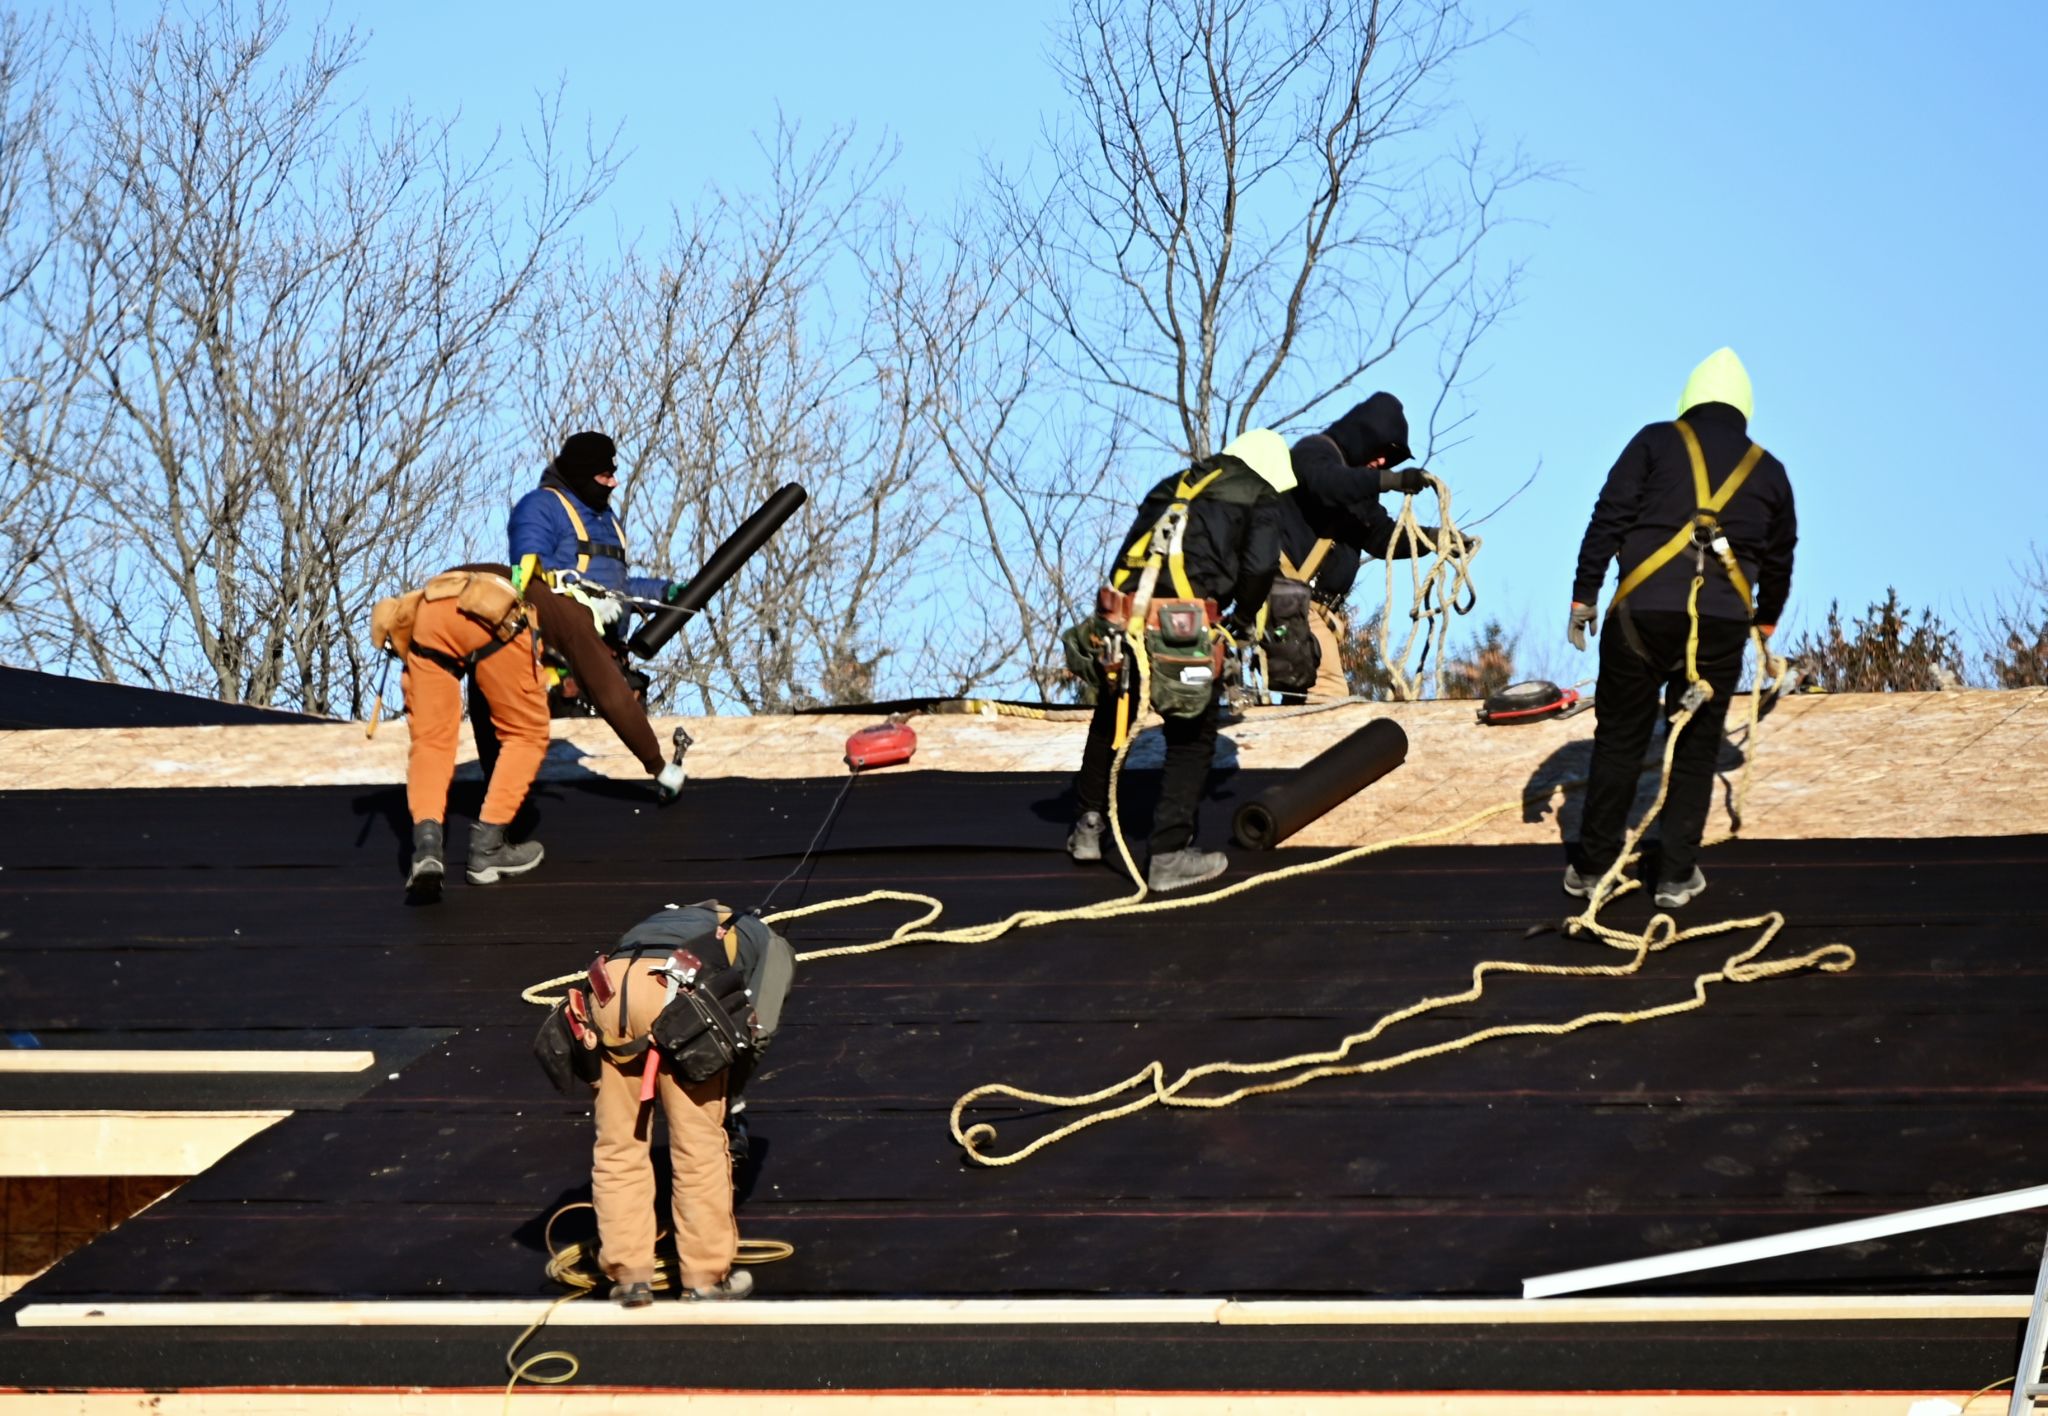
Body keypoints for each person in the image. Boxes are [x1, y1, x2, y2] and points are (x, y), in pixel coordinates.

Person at [1565, 347, 1796, 908]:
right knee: (1695, 747)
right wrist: (1765, 622)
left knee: (1619, 739)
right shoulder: (1769, 470)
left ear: (1688, 400)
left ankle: (1593, 869)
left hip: (1640, 615)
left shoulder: (1654, 440)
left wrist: (1584, 595)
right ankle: (1674, 875)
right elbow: (1781, 555)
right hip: (1719, 624)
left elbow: (1609, 515)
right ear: (1744, 409)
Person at [1066, 429, 1288, 893]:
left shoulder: (1173, 485)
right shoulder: (1261, 495)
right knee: (1191, 733)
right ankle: (1167, 854)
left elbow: (1126, 558)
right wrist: (1243, 618)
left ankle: (1088, 829)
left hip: (1123, 618)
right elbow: (1260, 567)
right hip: (1181, 628)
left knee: (1113, 716)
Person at [585, 902, 795, 1307]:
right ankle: (704, 1278)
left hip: (610, 987)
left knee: (618, 1144)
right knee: (698, 1146)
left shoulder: (668, 918)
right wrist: (730, 1096)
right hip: (675, 989)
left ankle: (629, 1276)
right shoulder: (771, 943)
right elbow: (758, 1032)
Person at [373, 567, 550, 894]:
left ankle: (426, 847)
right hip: (491, 614)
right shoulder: (561, 606)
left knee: (431, 743)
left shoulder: (412, 613)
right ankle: (487, 850)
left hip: (430, 617)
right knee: (527, 735)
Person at [1265, 394, 1437, 703]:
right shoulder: (1313, 452)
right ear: (1363, 436)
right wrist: (1390, 480)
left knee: (1303, 701)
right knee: (1327, 698)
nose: (1383, 461)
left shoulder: (1360, 492)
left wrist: (1433, 539)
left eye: (1391, 458)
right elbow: (1328, 484)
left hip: (1311, 611)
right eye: (1382, 450)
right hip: (1286, 599)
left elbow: (1382, 536)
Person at [507, 431, 676, 716]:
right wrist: (588, 601)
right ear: (583, 474)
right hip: (561, 664)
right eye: (605, 475)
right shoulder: (540, 507)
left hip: (611, 664)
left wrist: (664, 593)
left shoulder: (607, 519)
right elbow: (527, 575)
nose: (614, 483)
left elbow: (617, 589)